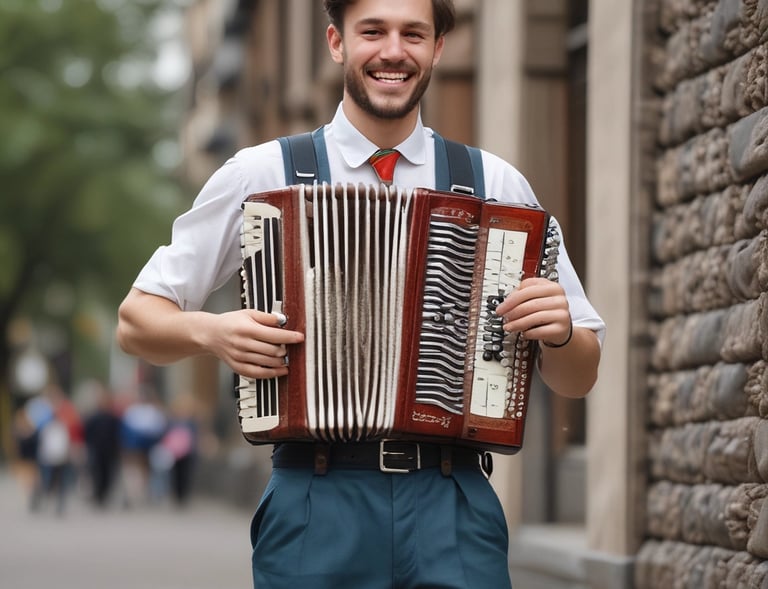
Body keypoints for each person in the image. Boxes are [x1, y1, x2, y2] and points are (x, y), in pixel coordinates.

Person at [117, 0, 605, 587]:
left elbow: (579, 377)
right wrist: (212, 332)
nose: (393, 51)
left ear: (437, 49)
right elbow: (136, 321)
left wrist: (561, 334)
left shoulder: (495, 186)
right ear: (336, 42)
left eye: (413, 34)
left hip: (453, 503)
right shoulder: (260, 174)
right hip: (314, 500)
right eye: (373, 31)